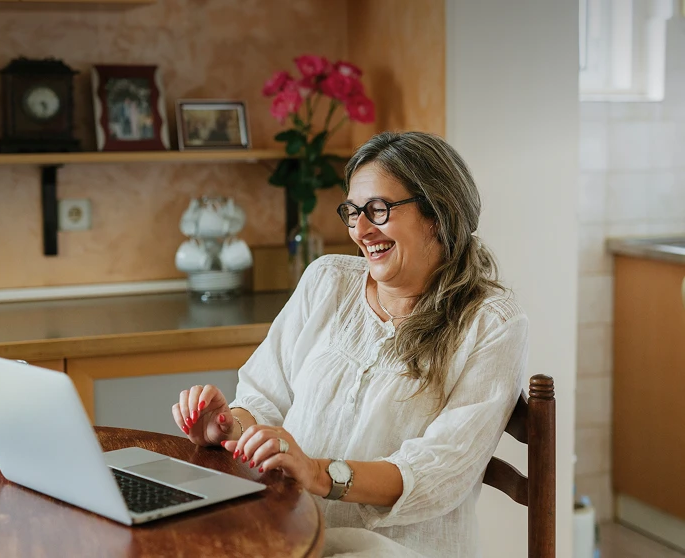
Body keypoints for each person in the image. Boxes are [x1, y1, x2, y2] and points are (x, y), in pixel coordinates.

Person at [171, 131, 529, 557]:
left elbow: (440, 472)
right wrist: (230, 426)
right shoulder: (327, 281)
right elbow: (265, 395)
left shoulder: (492, 324)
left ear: (438, 213)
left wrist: (319, 474)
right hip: (290, 532)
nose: (359, 229)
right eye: (353, 211)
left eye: (377, 210)